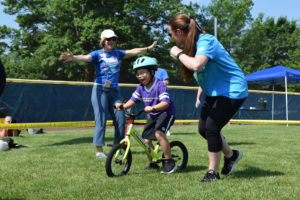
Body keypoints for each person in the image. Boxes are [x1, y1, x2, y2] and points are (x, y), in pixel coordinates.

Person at [168, 14, 248, 182]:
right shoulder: (192, 46)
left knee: (212, 127)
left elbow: (197, 65)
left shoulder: (206, 41)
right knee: (203, 129)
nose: (170, 38)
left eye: (170, 34)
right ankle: (231, 155)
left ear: (178, 31)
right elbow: (205, 74)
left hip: (233, 90)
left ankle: (213, 172)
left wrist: (178, 54)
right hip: (215, 92)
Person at [60, 29, 157, 158]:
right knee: (101, 119)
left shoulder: (117, 53)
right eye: (108, 39)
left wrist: (148, 48)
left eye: (113, 39)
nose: (111, 41)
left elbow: (132, 51)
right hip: (100, 90)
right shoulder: (97, 54)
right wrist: (74, 58)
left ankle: (118, 147)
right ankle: (99, 151)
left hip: (114, 91)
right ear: (103, 41)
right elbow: (86, 57)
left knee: (121, 119)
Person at [116, 56, 177, 174]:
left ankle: (169, 162)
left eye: (143, 72)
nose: (140, 76)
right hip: (153, 114)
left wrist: (153, 107)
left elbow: (165, 103)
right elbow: (133, 100)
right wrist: (123, 106)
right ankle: (153, 163)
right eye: (138, 73)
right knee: (146, 140)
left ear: (152, 72)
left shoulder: (160, 85)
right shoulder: (141, 87)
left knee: (159, 133)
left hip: (166, 113)